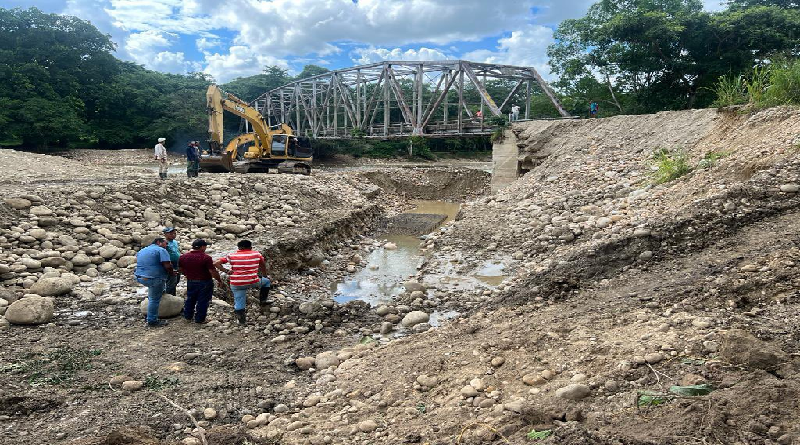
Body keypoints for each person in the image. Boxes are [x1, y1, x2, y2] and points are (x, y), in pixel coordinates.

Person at [214, 240, 272, 326]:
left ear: (238, 248)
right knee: (266, 282)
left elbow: (216, 263)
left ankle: (242, 321)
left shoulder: (231, 255)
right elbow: (262, 265)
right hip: (253, 281)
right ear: (251, 247)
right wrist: (264, 276)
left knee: (239, 300)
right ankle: (263, 301)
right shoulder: (257, 254)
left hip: (237, 283)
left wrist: (226, 271)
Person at [179, 239, 224, 323]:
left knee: (190, 298)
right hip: (205, 281)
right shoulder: (206, 257)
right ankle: (200, 319)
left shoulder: (183, 257)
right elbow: (212, 271)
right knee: (203, 301)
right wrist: (219, 280)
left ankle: (188, 316)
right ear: (203, 247)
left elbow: (181, 269)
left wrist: (187, 275)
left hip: (190, 281)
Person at [134, 237, 176, 327]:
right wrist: (172, 273)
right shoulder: (161, 250)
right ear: (159, 242)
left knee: (154, 293)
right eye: (165, 243)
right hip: (153, 278)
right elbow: (167, 265)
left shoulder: (143, 250)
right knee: (154, 299)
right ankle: (152, 320)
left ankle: (152, 309)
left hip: (140, 276)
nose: (166, 245)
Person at [163, 227, 181, 295]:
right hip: (169, 263)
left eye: (174, 233)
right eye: (171, 234)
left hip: (177, 263)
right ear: (165, 234)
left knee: (177, 280)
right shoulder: (165, 243)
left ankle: (173, 294)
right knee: (171, 280)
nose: (173, 235)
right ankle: (169, 295)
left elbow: (177, 251)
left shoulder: (175, 242)